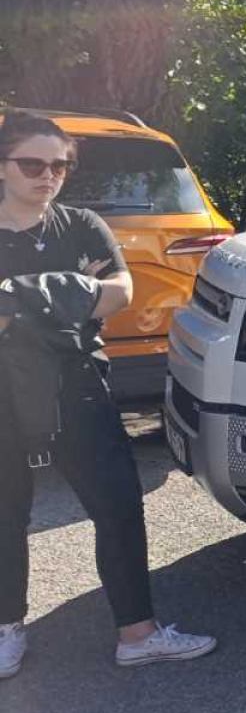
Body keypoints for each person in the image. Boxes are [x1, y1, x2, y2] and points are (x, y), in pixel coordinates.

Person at [0, 112, 217, 677]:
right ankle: (5, 628)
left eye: (60, 166)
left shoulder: (80, 225)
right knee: (4, 510)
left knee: (118, 503)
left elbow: (119, 292)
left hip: (77, 383)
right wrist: (63, 295)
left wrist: (27, 297)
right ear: (3, 166)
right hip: (4, 388)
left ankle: (137, 633)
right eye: (32, 164)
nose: (48, 176)